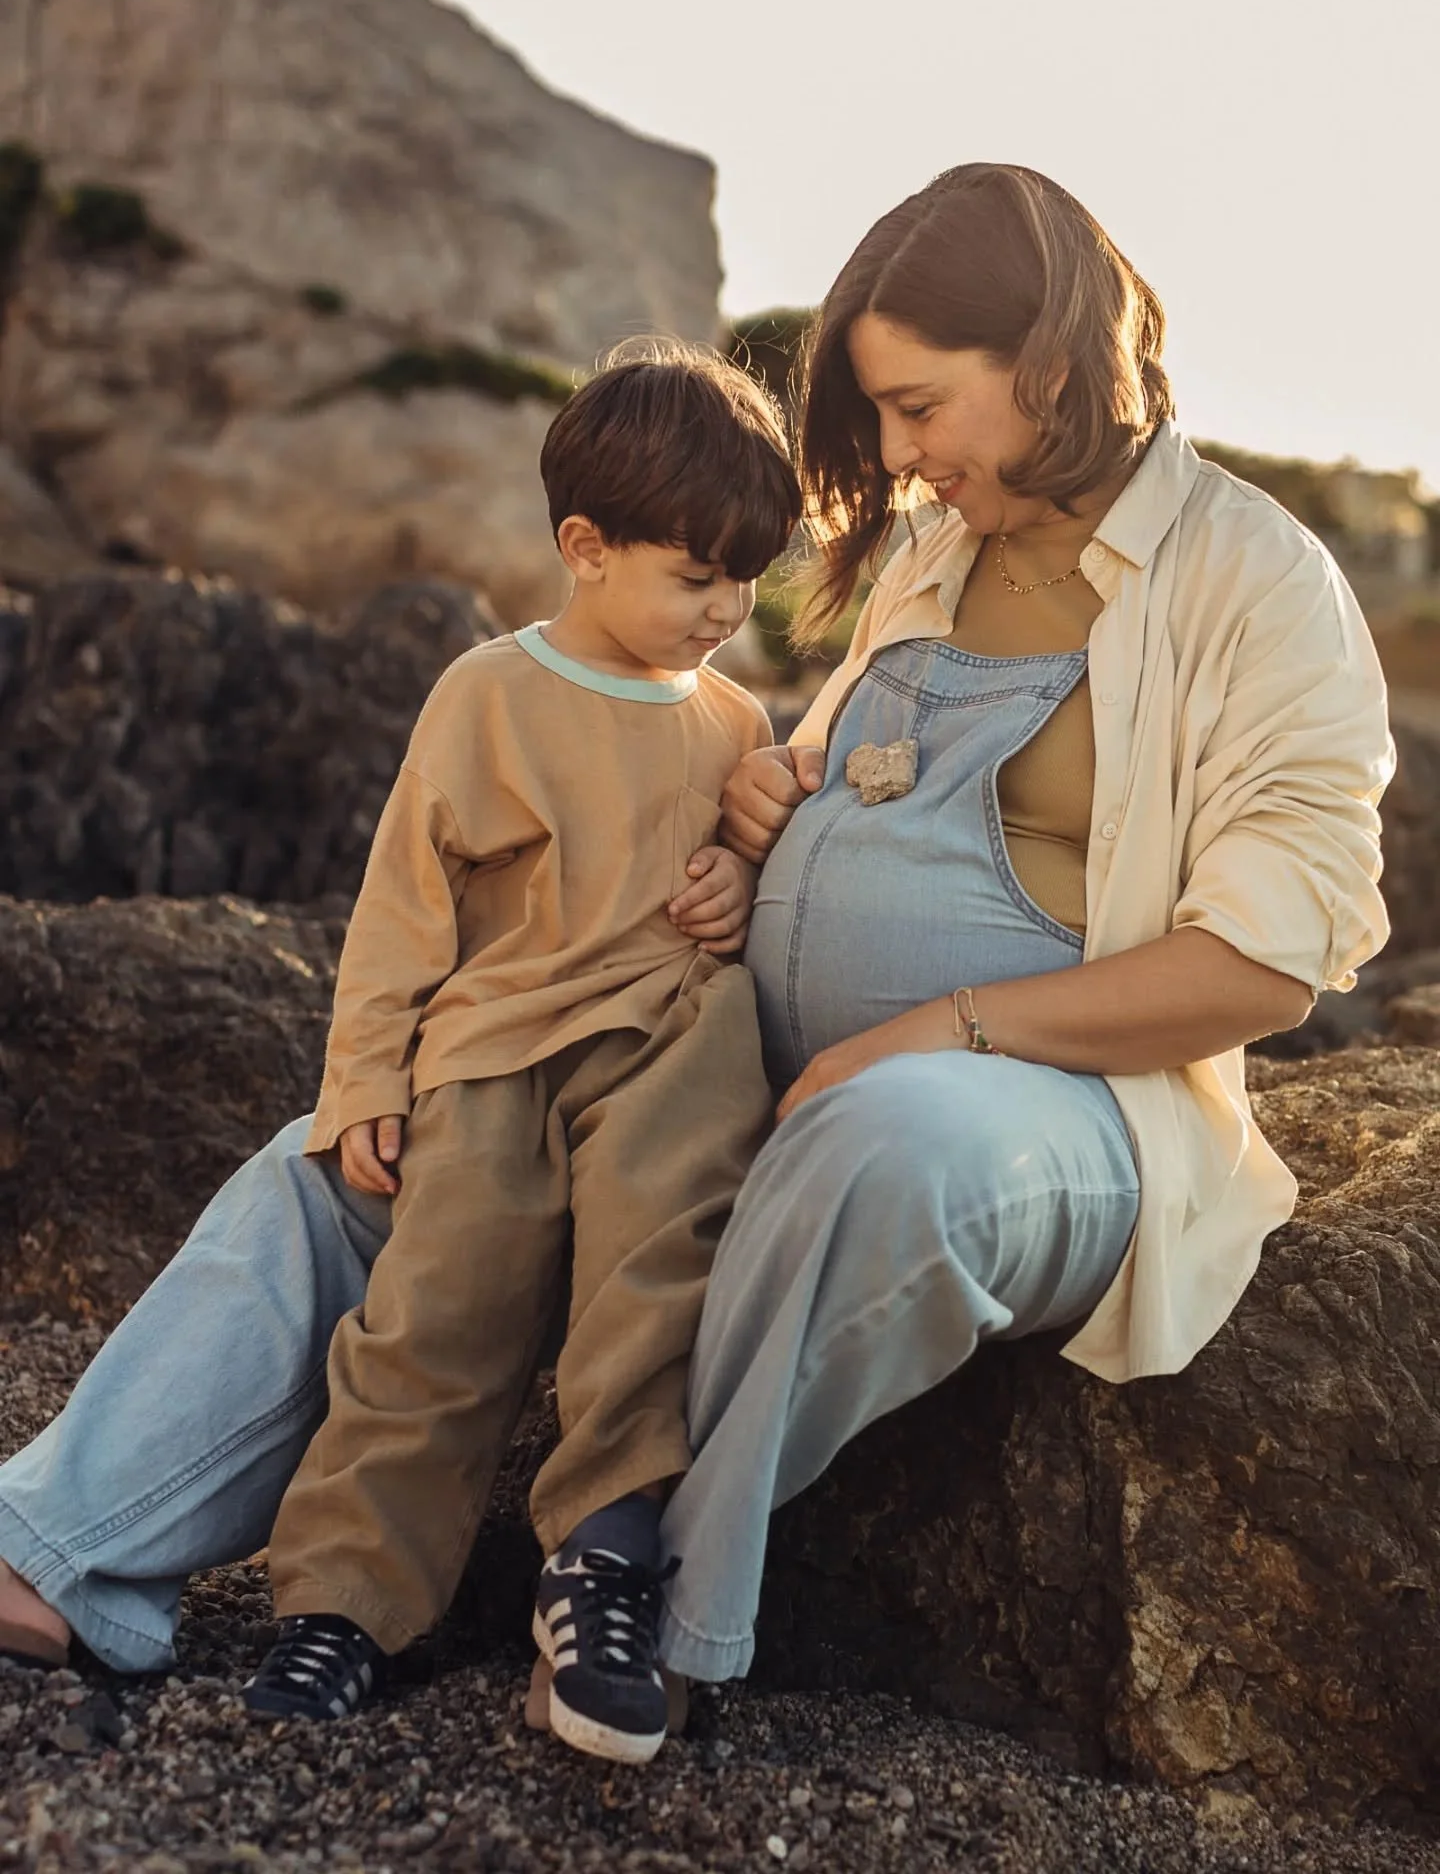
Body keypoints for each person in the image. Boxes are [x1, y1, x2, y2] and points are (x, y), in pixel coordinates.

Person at [646, 162, 1393, 1687]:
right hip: (787, 1061)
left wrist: (944, 1029)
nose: (905, 460)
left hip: (1058, 1119)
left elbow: (1266, 960)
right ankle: (61, 1544)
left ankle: (643, 1577)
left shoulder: (1261, 582)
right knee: (438, 1101)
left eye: (921, 409)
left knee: (889, 1147)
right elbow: (852, 763)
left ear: (1050, 363)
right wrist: (778, 797)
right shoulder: (940, 551)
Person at [0, 344, 799, 1765]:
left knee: (649, 1279)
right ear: (585, 548)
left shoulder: (735, 718)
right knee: (429, 1317)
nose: (727, 612)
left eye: (748, 583)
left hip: (663, 1053)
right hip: (493, 1060)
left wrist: (741, 877)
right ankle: (342, 1612)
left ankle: (602, 1569)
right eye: (697, 578)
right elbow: (399, 913)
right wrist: (364, 1081)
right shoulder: (489, 695)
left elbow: (737, 869)